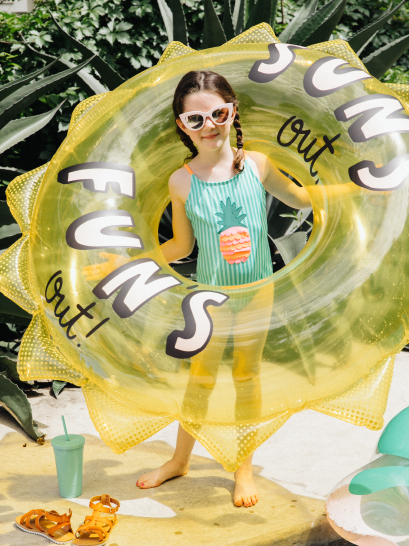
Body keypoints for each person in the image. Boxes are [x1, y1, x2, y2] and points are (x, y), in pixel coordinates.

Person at [119, 70, 311, 507]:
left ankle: (243, 468)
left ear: (233, 111)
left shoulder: (258, 165)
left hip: (257, 290)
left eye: (218, 114)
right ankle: (179, 460)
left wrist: (352, 190)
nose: (210, 126)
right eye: (196, 120)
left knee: (247, 377)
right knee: (200, 379)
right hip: (210, 296)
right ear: (182, 126)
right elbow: (182, 245)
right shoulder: (181, 181)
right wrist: (131, 261)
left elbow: (301, 199)